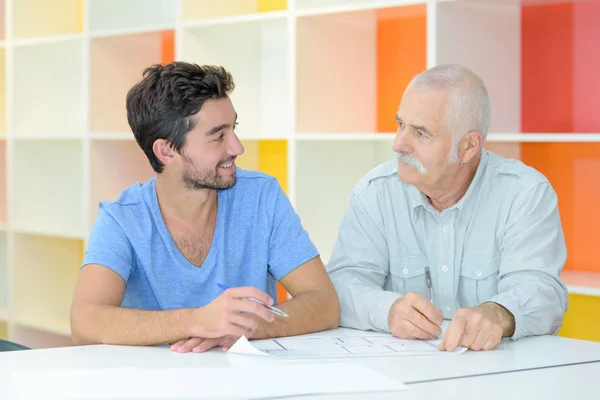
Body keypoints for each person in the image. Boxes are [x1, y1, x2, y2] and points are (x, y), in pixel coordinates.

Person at [71, 61, 339, 353]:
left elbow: (324, 302)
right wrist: (197, 321)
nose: (237, 147)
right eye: (218, 136)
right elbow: (85, 322)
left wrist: (245, 327)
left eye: (233, 128)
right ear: (167, 150)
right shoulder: (122, 218)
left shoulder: (262, 196)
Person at [326, 64, 568, 352]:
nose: (399, 144)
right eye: (400, 124)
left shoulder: (524, 194)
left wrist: (498, 313)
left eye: (421, 133)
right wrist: (387, 310)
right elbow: (341, 284)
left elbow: (543, 291)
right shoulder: (375, 193)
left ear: (468, 146)